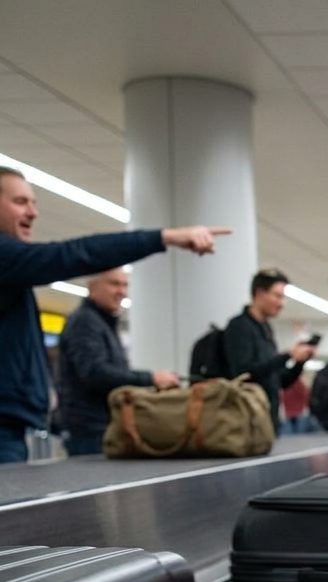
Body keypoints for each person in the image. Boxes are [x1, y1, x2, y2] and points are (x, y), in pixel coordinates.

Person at [0, 165, 229, 463]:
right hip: (59, 431)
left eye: (33, 203)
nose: (33, 212)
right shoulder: (83, 320)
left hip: (16, 427)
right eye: (20, 202)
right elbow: (71, 254)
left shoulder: (18, 281)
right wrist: (164, 237)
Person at [57, 269, 180, 455]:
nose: (122, 291)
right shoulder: (85, 322)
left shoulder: (102, 322)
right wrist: (150, 378)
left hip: (103, 425)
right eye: (114, 284)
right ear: (92, 287)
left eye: (125, 285)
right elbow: (96, 373)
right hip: (90, 429)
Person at [222, 269, 316, 435]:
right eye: (277, 296)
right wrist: (287, 355)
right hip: (247, 423)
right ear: (259, 293)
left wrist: (300, 362)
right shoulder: (239, 326)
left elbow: (280, 381)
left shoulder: (266, 330)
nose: (282, 303)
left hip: (269, 421)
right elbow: (244, 373)